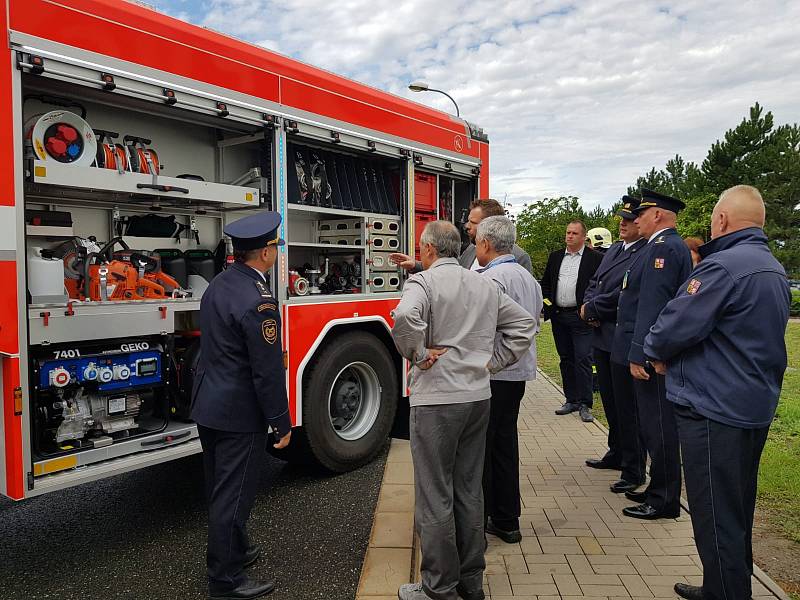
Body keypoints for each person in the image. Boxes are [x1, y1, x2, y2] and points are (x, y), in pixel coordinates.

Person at [644, 185, 791, 600]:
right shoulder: (769, 266)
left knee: (715, 516)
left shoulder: (723, 267)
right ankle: (722, 586)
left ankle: (726, 591)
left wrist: (654, 351)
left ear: (722, 220)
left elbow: (673, 325)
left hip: (713, 408)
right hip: (750, 405)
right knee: (736, 508)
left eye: (713, 217)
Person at [391, 220, 535, 600]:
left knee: (434, 493)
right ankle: (471, 583)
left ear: (427, 250)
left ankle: (438, 587)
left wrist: (418, 354)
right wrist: (492, 363)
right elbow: (524, 324)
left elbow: (405, 318)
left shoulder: (422, 283)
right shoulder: (484, 283)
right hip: (477, 397)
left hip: (437, 400)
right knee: (469, 491)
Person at [191, 211, 293, 600]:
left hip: (209, 405)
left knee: (220, 487)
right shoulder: (259, 301)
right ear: (266, 253)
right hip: (238, 412)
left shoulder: (217, 285)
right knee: (234, 495)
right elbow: (265, 371)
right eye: (274, 248)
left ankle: (238, 548)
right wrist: (281, 422)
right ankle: (225, 580)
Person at [617, 189, 692, 520]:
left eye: (642, 214)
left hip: (652, 356)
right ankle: (657, 488)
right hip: (652, 350)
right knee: (652, 424)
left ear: (658, 215)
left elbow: (652, 305)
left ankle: (664, 499)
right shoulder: (658, 247)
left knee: (659, 427)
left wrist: (640, 353)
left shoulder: (664, 249)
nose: (637, 219)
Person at [474, 216, 543, 545]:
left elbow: (481, 330)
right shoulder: (528, 278)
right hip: (518, 375)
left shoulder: (490, 279)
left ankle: (482, 518)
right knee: (505, 443)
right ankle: (507, 520)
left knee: (482, 448)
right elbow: (535, 326)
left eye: (476, 243)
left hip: (494, 373)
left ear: (486, 244)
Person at [581, 197, 647, 492]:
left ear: (641, 222)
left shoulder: (645, 252)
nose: (621, 224)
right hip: (602, 335)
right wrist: (587, 305)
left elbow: (626, 295)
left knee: (627, 407)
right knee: (609, 401)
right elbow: (595, 282)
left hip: (621, 335)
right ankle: (616, 451)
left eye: (628, 220)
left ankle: (634, 468)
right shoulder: (616, 250)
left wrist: (593, 309)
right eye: (620, 219)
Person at [540, 220, 603, 421]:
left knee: (583, 358)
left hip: (581, 317)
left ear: (584, 237)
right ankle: (571, 399)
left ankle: (585, 403)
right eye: (568, 232)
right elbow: (546, 284)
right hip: (560, 316)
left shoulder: (595, 258)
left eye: (574, 233)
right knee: (565, 359)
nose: (569, 236)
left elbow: (600, 286)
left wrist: (590, 310)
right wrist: (550, 306)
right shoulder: (556, 256)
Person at [389, 198, 533, 273]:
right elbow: (451, 271)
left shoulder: (520, 258)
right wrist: (416, 265)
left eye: (473, 222)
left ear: (491, 224)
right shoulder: (471, 250)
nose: (466, 226)